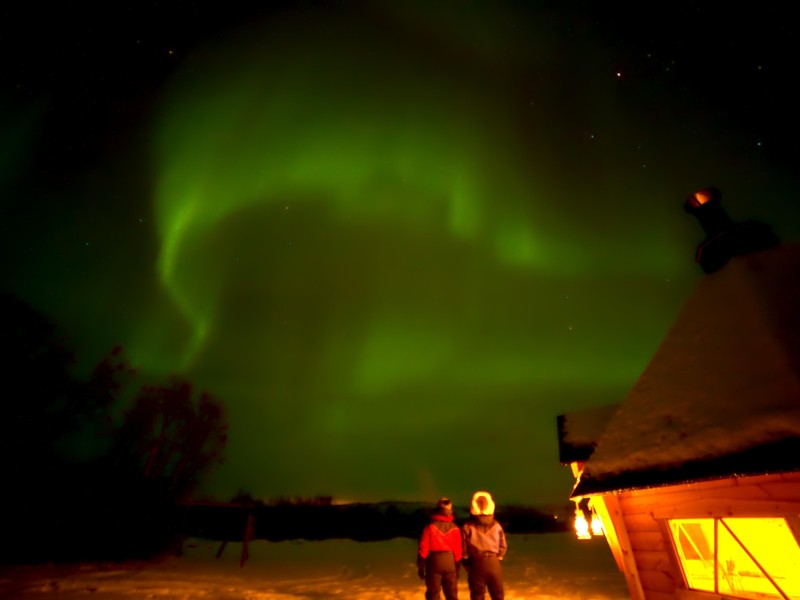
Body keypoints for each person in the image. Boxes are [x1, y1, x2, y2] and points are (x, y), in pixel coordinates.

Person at [461, 491, 506, 600]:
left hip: (476, 563)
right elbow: (503, 545)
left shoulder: (468, 526)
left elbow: (464, 548)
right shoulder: (497, 525)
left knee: (477, 594)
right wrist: (498, 557)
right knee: (498, 594)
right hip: (494, 562)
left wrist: (466, 562)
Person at [417, 497, 463, 600]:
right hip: (450, 562)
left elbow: (423, 547)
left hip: (434, 562)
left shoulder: (430, 527)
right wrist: (457, 567)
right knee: (452, 594)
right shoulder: (455, 528)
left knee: (433, 593)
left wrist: (421, 566)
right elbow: (458, 550)